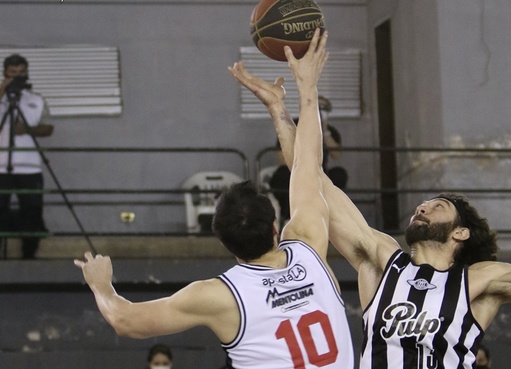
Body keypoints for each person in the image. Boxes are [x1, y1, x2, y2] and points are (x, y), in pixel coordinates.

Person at [228, 36, 511, 369]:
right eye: (423, 204)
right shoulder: (380, 260)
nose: (422, 207)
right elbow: (311, 179)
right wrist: (279, 110)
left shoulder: (482, 280)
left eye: (438, 206)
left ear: (461, 232)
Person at [75, 29, 354, 369]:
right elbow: (307, 164)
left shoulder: (217, 295)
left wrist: (101, 285)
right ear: (276, 228)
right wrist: (298, 95)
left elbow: (126, 321)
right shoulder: (308, 248)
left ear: (225, 243)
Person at [0, 54, 53, 259]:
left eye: (21, 73)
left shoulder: (36, 100)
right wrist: (4, 89)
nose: (18, 77)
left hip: (29, 167)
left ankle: (29, 254)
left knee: (31, 211)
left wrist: (28, 129)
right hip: (1, 167)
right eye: (13, 73)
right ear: (5, 73)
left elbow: (48, 128)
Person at [268, 95, 347, 226]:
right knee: (281, 176)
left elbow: (336, 155)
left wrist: (324, 130)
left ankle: (330, 219)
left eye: (323, 109)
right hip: (295, 171)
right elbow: (281, 159)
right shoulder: (291, 125)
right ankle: (289, 216)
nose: (319, 111)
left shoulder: (329, 131)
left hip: (321, 173)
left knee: (339, 174)